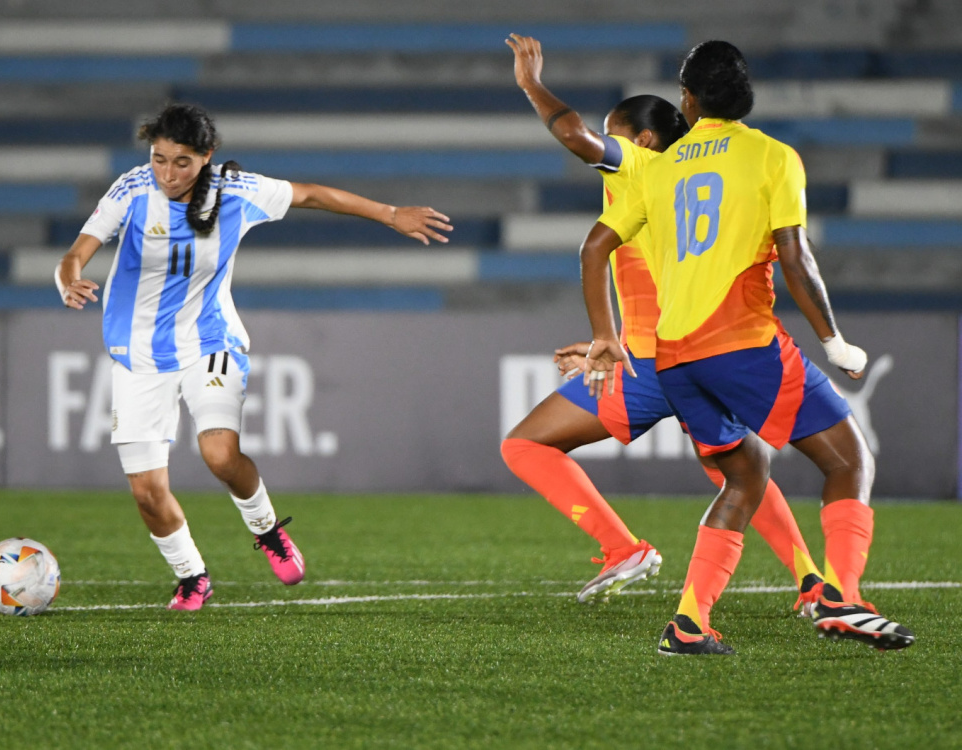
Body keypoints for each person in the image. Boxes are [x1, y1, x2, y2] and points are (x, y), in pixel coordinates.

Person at [579, 40, 914, 654]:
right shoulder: (772, 157)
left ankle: (689, 622)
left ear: (689, 98)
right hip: (743, 341)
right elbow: (795, 254)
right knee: (849, 461)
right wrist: (833, 340)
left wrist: (606, 334)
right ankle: (841, 594)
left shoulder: (662, 167)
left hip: (673, 354)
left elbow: (594, 247)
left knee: (744, 475)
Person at [56, 102, 453, 611]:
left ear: (206, 156)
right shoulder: (132, 189)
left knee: (219, 453)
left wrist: (390, 214)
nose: (167, 173)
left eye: (181, 162)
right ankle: (192, 576)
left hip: (210, 343)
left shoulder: (237, 191)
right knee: (147, 494)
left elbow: (310, 194)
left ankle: (268, 530)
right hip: (137, 358)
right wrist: (68, 281)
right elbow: (75, 254)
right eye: (159, 159)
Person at [502, 33, 825, 610]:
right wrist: (610, 337)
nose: (606, 142)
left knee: (525, 446)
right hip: (693, 349)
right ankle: (810, 579)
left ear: (644, 138)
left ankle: (620, 547)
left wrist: (531, 84)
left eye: (615, 131)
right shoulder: (687, 180)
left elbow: (576, 138)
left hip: (651, 361)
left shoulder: (645, 166)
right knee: (738, 468)